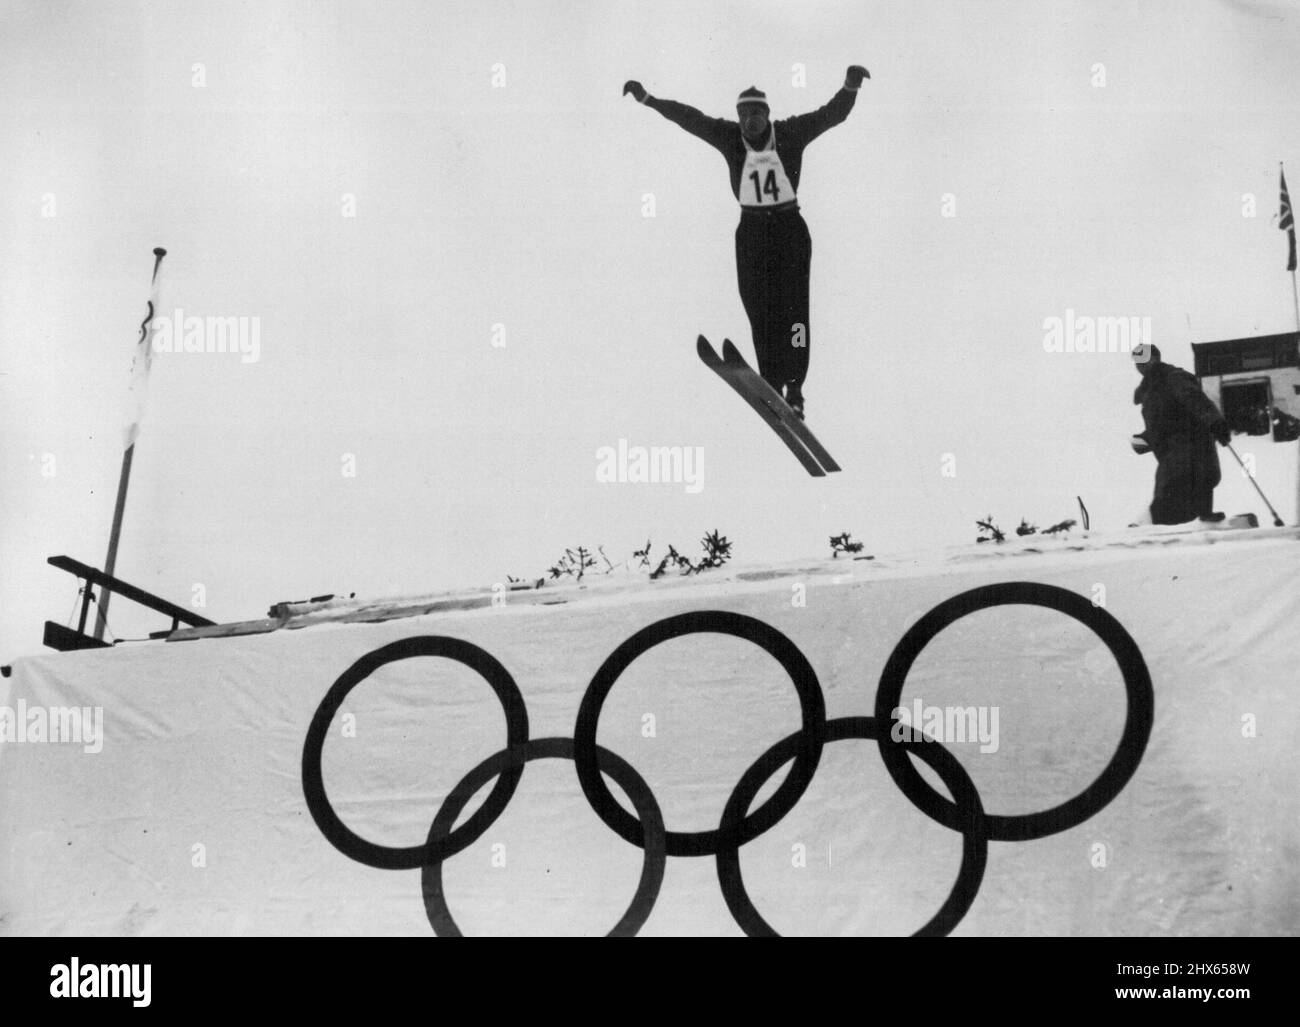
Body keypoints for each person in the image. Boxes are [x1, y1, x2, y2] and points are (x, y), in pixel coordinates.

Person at [623, 66, 869, 418]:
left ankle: (796, 388)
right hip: (752, 234)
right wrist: (648, 99)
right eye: (743, 115)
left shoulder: (790, 133)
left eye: (755, 113)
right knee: (760, 309)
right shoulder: (728, 136)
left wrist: (851, 84)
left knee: (795, 314)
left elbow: (831, 115)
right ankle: (770, 379)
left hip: (789, 232)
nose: (748, 121)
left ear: (766, 115)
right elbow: (689, 118)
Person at [1129, 343, 1231, 524]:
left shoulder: (1173, 378)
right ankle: (1196, 527)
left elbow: (1196, 401)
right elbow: (1164, 424)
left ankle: (1202, 526)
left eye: (1144, 360)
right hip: (1172, 457)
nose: (1140, 365)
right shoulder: (1150, 392)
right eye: (1136, 361)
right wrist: (1146, 439)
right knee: (1168, 506)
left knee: (1168, 503)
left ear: (1155, 359)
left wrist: (1215, 422)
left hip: (1192, 452)